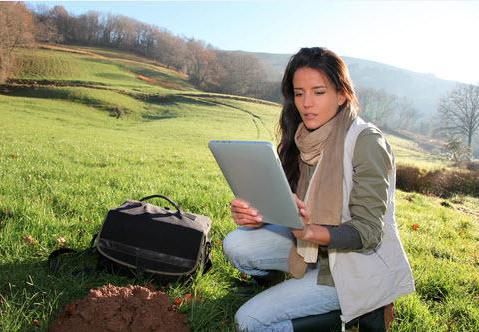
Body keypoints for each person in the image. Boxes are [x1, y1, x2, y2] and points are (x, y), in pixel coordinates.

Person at [222, 47, 415, 332]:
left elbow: (368, 233)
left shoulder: (366, 142)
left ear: (341, 94)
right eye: (299, 93)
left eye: (318, 92)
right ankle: (285, 286)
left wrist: (311, 231)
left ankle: (358, 309)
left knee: (249, 323)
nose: (306, 103)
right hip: (308, 250)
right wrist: (260, 214)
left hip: (351, 266)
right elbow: (292, 207)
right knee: (237, 244)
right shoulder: (302, 138)